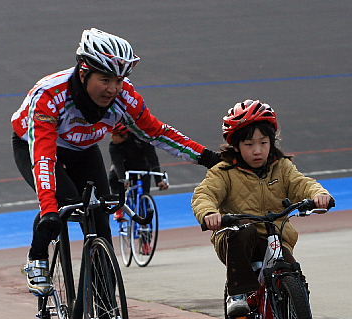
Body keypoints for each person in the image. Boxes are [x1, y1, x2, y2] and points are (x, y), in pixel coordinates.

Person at [11, 27, 218, 297]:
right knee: (65, 201)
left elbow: (157, 133)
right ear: (84, 73)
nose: (113, 89)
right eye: (106, 80)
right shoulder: (50, 95)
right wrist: (50, 209)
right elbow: (44, 158)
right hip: (36, 144)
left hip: (83, 147)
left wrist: (208, 157)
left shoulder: (124, 97)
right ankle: (36, 257)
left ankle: (106, 314)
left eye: (119, 80)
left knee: (99, 215)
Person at [192, 99, 334, 317]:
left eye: (264, 143)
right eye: (249, 145)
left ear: (272, 142)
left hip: (274, 238)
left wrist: (319, 195)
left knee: (293, 277)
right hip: (235, 241)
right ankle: (237, 295)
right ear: (236, 146)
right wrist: (210, 214)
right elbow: (205, 194)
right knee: (243, 229)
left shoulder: (282, 166)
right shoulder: (224, 171)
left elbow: (302, 183)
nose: (257, 151)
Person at [108, 122, 169, 221]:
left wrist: (159, 180)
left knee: (143, 194)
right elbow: (118, 164)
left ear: (124, 135)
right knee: (113, 177)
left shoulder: (141, 139)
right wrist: (122, 179)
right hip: (125, 167)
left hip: (142, 167)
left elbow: (152, 158)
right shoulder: (114, 146)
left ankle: (145, 223)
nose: (112, 138)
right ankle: (118, 208)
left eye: (114, 136)